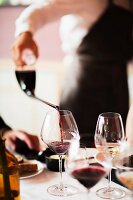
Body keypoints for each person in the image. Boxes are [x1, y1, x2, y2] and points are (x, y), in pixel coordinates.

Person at [11, 0, 133, 146]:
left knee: (116, 147)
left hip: (118, 86)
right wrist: (25, 34)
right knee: (77, 149)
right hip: (83, 85)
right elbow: (41, 10)